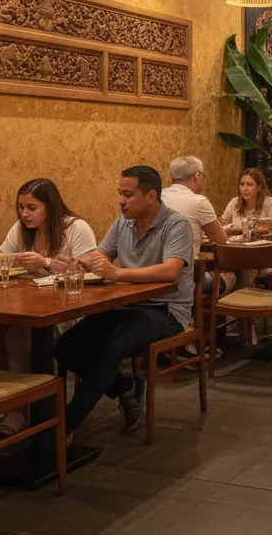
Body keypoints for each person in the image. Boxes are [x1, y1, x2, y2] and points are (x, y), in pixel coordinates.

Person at [55, 165, 195, 438]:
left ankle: (64, 427)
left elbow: (170, 271)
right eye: (120, 194)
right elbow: (100, 254)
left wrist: (117, 272)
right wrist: (78, 263)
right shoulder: (123, 223)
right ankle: (125, 387)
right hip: (126, 305)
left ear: (151, 196)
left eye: (128, 195)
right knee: (65, 345)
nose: (121, 201)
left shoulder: (176, 224)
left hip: (166, 309)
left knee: (111, 349)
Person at [0, 178, 97, 437]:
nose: (24, 214)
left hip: (68, 308)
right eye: (20, 207)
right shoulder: (21, 228)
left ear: (50, 207)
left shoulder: (75, 227)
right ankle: (14, 402)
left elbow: (88, 270)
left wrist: (47, 262)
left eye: (32, 208)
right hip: (26, 306)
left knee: (18, 337)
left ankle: (21, 411)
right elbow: (5, 260)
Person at [162, 155, 227, 290]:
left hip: (154, 272)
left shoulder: (157, 197)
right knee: (230, 276)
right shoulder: (198, 201)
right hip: (184, 278)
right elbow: (220, 240)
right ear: (197, 176)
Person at [220, 167, 272, 236]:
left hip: (263, 245)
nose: (244, 189)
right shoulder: (235, 202)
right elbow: (221, 227)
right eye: (242, 184)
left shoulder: (270, 203)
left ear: (259, 187)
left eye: (249, 185)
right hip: (236, 245)